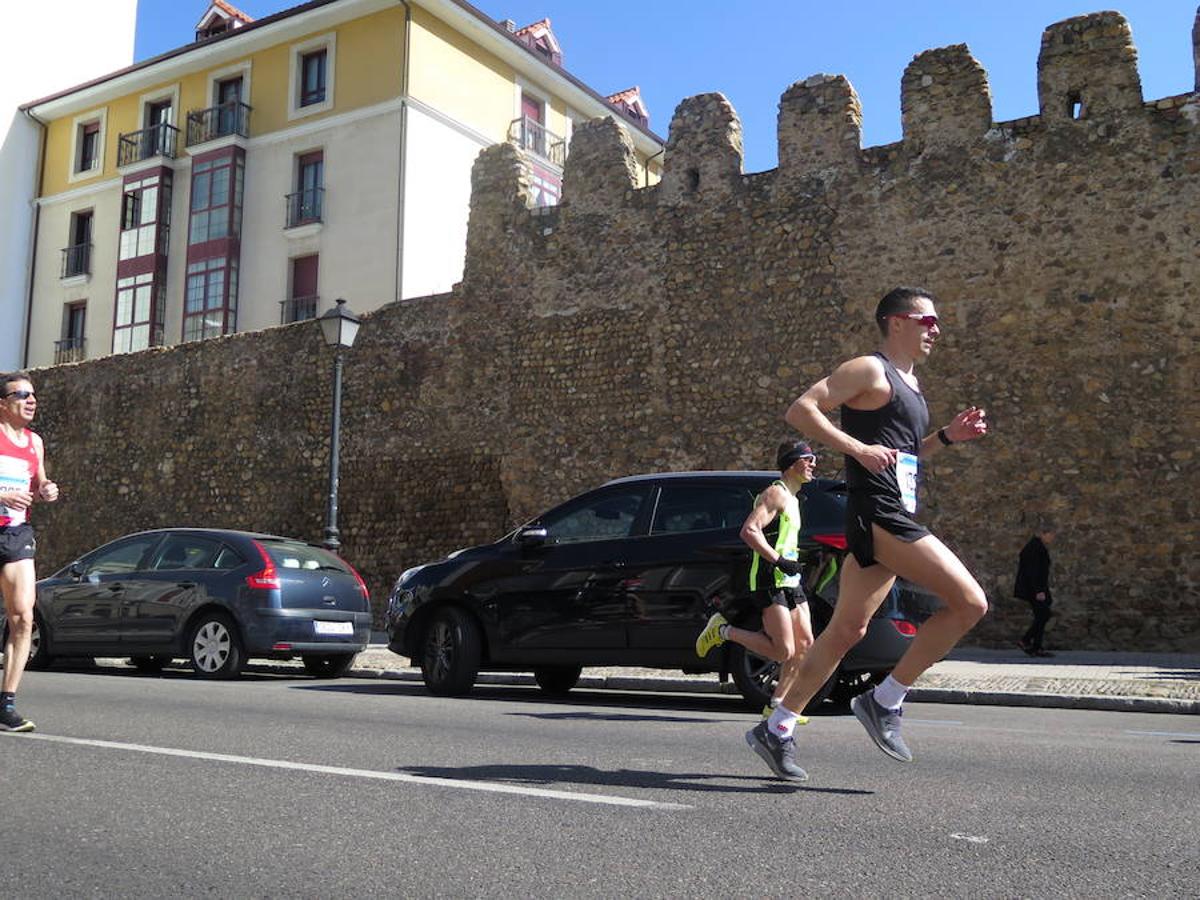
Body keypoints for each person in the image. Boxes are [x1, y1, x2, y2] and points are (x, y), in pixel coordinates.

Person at [748, 287, 989, 781]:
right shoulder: (868, 368)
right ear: (896, 322)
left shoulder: (910, 384)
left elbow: (902, 455)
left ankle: (777, 727)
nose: (936, 330)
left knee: (845, 632)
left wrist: (946, 437)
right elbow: (802, 410)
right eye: (928, 321)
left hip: (891, 506)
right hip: (877, 512)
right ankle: (886, 700)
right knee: (970, 603)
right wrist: (856, 447)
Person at [695, 441, 817, 755]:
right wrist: (777, 560)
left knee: (805, 646)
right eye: (809, 459)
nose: (814, 463)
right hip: (768, 580)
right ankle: (723, 630)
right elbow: (749, 531)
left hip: (790, 580)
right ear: (792, 464)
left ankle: (776, 705)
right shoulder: (774, 493)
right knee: (783, 649)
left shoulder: (794, 498)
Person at [0, 372, 59, 732]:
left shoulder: (34, 443)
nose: (31, 400)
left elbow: (40, 483)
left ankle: (6, 703)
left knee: (23, 616)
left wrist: (47, 490)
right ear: (2, 404)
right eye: (21, 394)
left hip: (15, 532)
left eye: (33, 394)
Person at [1015, 524, 1056, 657]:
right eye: (1051, 534)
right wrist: (1039, 590)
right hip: (1034, 590)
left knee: (1041, 616)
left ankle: (1036, 646)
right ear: (1043, 534)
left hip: (1036, 589)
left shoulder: (1036, 547)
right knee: (1044, 615)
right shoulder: (1034, 548)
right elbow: (1033, 572)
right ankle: (1026, 640)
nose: (1052, 538)